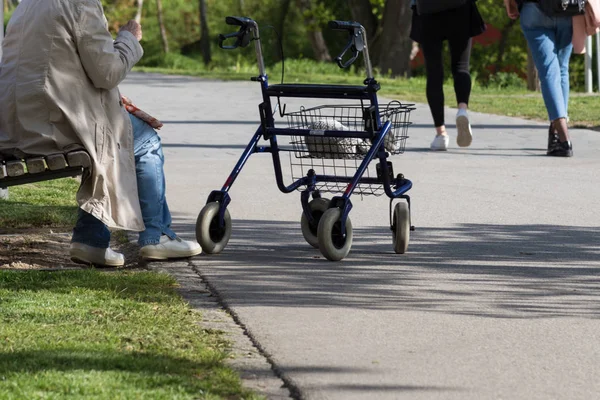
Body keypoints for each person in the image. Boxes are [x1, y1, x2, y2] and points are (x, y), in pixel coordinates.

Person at [0, 0, 202, 266]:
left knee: (118, 129)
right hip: (52, 127)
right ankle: (157, 237)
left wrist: (112, 102)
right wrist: (129, 38)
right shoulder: (80, 3)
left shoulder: (29, 3)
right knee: (144, 140)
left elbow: (59, 67)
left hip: (17, 124)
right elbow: (107, 73)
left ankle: (92, 240)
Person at [410, 0, 486, 151]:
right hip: (460, 7)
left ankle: (441, 134)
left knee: (434, 72)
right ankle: (462, 109)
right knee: (461, 66)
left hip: (427, 11)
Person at [504, 0, 574, 157]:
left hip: (534, 9)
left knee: (550, 70)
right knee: (561, 69)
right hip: (568, 8)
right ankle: (558, 131)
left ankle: (563, 137)